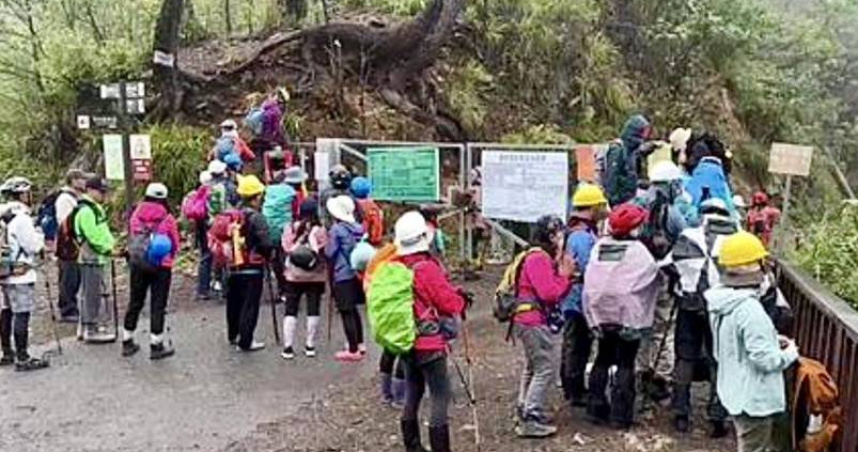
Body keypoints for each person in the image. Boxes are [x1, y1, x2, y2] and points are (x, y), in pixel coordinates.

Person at [706, 231, 799, 452]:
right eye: (761, 261)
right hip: (754, 400)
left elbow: (731, 341)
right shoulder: (750, 309)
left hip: (735, 390)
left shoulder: (722, 300)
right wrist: (790, 353)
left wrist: (771, 339)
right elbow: (765, 361)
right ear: (752, 266)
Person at [393, 211, 466, 452]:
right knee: (439, 395)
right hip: (429, 342)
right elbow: (448, 303)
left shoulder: (397, 266)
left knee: (413, 390)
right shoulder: (426, 267)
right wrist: (460, 299)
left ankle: (412, 446)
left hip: (404, 338)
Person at [583, 203, 661, 429]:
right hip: (627, 315)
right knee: (626, 362)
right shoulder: (638, 252)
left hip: (599, 312)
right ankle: (621, 414)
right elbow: (651, 276)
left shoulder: (600, 247)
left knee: (603, 357)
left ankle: (595, 408)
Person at [668, 198, 736, 437]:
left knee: (685, 358)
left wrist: (681, 286)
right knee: (720, 359)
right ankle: (717, 417)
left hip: (689, 305)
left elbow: (669, 264)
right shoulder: (737, 240)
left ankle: (680, 413)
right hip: (723, 308)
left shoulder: (688, 235)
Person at [513, 215, 574, 438]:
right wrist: (565, 277)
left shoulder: (534, 255)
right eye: (559, 234)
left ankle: (525, 407)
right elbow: (549, 294)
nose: (562, 239)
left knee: (533, 366)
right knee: (545, 368)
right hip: (534, 320)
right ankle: (532, 415)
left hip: (526, 318)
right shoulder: (539, 258)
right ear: (551, 235)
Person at [560, 184, 607, 407]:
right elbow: (591, 268)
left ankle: (571, 386)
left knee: (572, 343)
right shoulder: (583, 237)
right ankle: (575, 389)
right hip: (578, 299)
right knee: (578, 345)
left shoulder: (573, 231)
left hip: (571, 297)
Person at [122, 183, 180, 360]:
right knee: (158, 304)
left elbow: (132, 237)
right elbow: (175, 243)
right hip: (161, 266)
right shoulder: (167, 218)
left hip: (138, 264)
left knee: (135, 301)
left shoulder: (135, 215)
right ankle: (156, 345)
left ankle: (127, 340)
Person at [0, 177, 48, 371]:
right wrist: (39, 234)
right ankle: (23, 357)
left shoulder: (3, 214)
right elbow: (32, 246)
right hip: (21, 272)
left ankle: (7, 351)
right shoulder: (22, 218)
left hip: (3, 271)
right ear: (22, 194)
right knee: (22, 313)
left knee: (6, 311)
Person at [226, 175, 275, 351]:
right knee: (249, 304)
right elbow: (266, 243)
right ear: (256, 196)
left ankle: (233, 335)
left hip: (233, 265)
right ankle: (246, 340)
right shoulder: (257, 218)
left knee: (234, 302)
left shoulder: (233, 215)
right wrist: (268, 255)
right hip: (252, 266)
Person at [280, 199, 327, 360]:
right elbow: (325, 251)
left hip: (293, 275)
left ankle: (288, 346)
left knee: (290, 310)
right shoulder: (320, 230)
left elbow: (286, 247)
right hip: (316, 276)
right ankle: (310, 345)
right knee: (313, 309)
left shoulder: (291, 228)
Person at [75, 177, 117, 343]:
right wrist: (108, 249)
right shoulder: (86, 210)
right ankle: (90, 330)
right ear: (90, 190)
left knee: (89, 292)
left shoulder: (94, 208)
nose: (103, 195)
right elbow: (92, 236)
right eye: (101, 191)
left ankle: (85, 326)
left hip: (96, 257)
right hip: (91, 257)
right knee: (91, 294)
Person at [325, 195, 366, 361]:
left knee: (346, 311)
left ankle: (353, 348)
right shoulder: (358, 228)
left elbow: (330, 252)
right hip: (357, 272)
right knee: (354, 310)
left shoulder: (337, 230)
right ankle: (360, 343)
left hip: (342, 273)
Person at [263, 166, 306, 297]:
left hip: (268, 227)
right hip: (285, 230)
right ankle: (290, 288)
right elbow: (296, 213)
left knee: (275, 259)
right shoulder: (292, 194)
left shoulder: (269, 190)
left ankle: (281, 288)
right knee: (287, 258)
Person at [54, 169, 88, 322]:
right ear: (73, 181)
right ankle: (67, 309)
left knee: (75, 275)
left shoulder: (76, 197)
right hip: (67, 244)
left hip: (76, 243)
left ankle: (71, 306)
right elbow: (66, 221)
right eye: (80, 178)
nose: (83, 181)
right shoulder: (65, 199)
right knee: (69, 276)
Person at [601, 114, 652, 207]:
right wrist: (614, 201)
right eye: (643, 132)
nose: (645, 135)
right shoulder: (618, 149)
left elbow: (631, 175)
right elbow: (612, 177)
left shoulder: (632, 151)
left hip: (630, 199)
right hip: (619, 202)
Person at [205, 160, 233, 298]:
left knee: (216, 252)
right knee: (228, 251)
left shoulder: (206, 187)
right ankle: (228, 285)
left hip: (211, 222)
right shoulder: (226, 186)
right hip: (226, 221)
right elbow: (234, 200)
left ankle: (217, 279)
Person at [194, 170, 215, 300]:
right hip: (211, 227)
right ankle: (223, 287)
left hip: (200, 228)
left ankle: (203, 289)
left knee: (205, 257)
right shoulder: (212, 193)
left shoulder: (197, 193)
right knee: (219, 255)